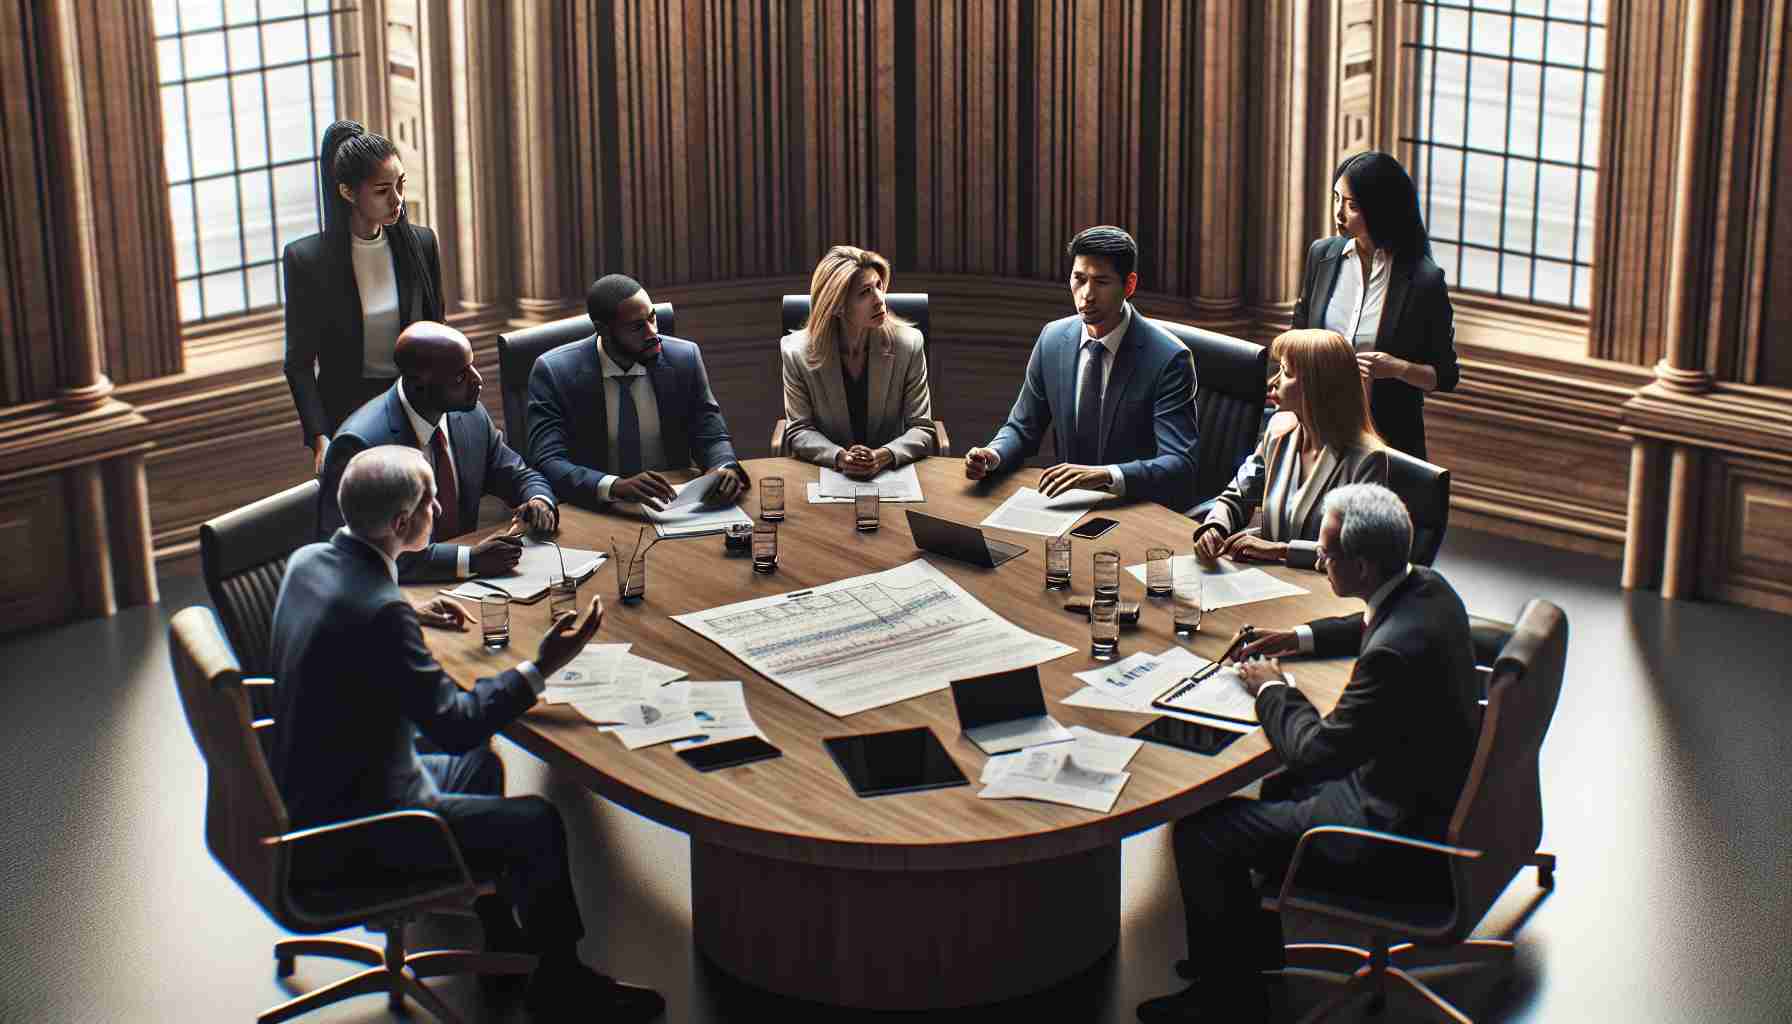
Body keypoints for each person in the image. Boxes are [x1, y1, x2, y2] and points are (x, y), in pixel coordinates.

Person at [268, 445, 664, 1021]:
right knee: (536, 821)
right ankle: (562, 984)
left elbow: (354, 615)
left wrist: (415, 614)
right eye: (429, 501)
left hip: (305, 789)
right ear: (404, 524)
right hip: (358, 827)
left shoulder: (310, 562)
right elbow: (453, 725)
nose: (438, 507)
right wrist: (540, 667)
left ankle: (500, 939)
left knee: (482, 765)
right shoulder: (382, 612)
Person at [1138, 483, 1480, 1024]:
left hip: (1390, 833)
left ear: (1364, 567)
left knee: (1203, 832)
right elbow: (1368, 622)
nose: (1317, 558)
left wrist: (1272, 689)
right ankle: (1246, 961)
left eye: (1328, 552)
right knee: (1272, 793)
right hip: (1435, 792)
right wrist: (1295, 639)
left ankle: (1226, 1001)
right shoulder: (1428, 590)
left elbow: (1315, 755)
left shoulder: (1390, 656)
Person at [963, 226, 1199, 510]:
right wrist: (993, 454)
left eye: (1101, 282)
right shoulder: (1053, 339)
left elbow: (1179, 462)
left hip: (1134, 508)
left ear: (1129, 285)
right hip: (1067, 507)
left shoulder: (1168, 359)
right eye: (1079, 278)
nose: (1086, 294)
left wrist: (1107, 475)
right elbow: (1023, 427)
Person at [318, 321, 556, 586]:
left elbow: (518, 475)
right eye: (459, 376)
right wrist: (469, 560)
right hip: (402, 595)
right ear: (419, 384)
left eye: (472, 366)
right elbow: (355, 554)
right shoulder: (360, 445)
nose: (478, 380)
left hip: (471, 587)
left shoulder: (471, 416)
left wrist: (538, 501)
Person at [284, 121, 445, 475]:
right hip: (350, 420)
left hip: (415, 408)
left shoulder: (421, 244)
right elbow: (298, 363)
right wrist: (320, 437)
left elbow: (437, 333)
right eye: (382, 190)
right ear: (347, 192)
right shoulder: (308, 261)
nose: (397, 200)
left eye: (401, 185)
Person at [527, 274, 748, 510]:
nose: (652, 333)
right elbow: (548, 461)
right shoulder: (554, 372)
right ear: (603, 329)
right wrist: (615, 486)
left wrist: (723, 467)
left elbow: (712, 436)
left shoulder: (685, 359)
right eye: (636, 327)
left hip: (673, 506)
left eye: (652, 318)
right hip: (595, 510)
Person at [1291, 151, 1459, 460]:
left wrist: (1396, 368)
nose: (1339, 213)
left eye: (1352, 205)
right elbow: (1297, 338)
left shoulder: (1423, 281)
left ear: (1380, 208)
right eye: (1336, 199)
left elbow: (1446, 375)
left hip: (1385, 443)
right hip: (1316, 433)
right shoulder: (1321, 256)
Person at [1193, 329, 1388, 569]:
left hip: (1324, 593)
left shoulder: (1367, 459)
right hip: (1266, 582)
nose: (1273, 381)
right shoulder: (1278, 431)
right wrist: (1215, 527)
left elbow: (1356, 551)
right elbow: (1237, 496)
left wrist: (1281, 551)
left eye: (1285, 372)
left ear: (1316, 385)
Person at [780, 245, 936, 476]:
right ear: (837, 306)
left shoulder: (908, 344)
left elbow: (922, 428)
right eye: (865, 293)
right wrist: (840, 458)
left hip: (891, 476)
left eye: (879, 286)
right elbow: (799, 430)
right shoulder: (797, 352)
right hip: (827, 475)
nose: (879, 299)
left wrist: (882, 456)